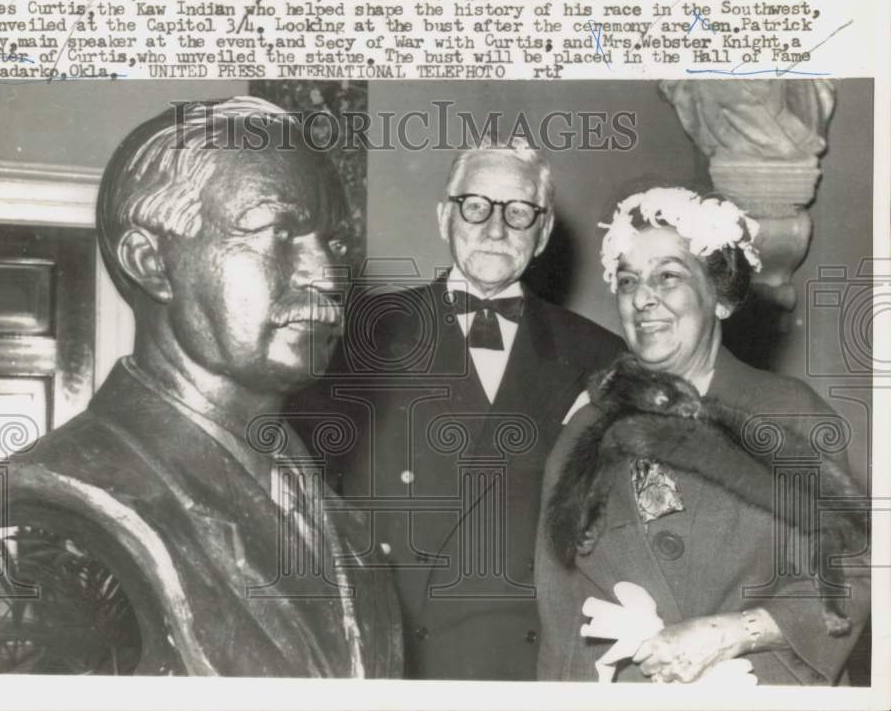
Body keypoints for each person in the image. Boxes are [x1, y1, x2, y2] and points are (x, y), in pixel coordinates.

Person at [0, 97, 402, 677]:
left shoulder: (347, 532)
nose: (328, 276)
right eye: (277, 231)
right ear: (151, 262)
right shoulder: (38, 520)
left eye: (335, 244)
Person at [292, 137, 622, 680]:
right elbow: (305, 496)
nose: (496, 230)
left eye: (518, 212)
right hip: (385, 648)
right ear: (445, 217)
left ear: (541, 236)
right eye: (476, 207)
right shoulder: (357, 333)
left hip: (514, 661)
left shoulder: (597, 355)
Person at [534, 187, 870, 684]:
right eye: (628, 280)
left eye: (667, 276)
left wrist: (731, 633)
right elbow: (560, 623)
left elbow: (855, 576)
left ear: (722, 298)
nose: (642, 297)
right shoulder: (582, 432)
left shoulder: (791, 415)